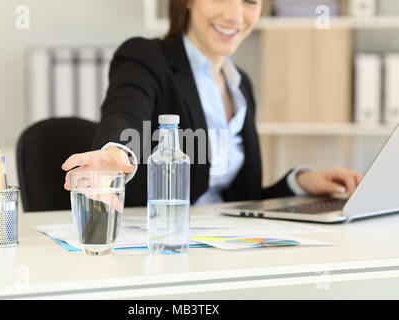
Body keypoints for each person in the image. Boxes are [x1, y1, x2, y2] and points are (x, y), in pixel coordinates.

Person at [62, 0, 362, 207]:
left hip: (224, 246)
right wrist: (113, 152)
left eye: (249, 1)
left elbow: (243, 198)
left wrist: (301, 182)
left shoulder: (241, 85)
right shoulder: (147, 58)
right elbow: (124, 112)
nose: (235, 16)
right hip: (160, 241)